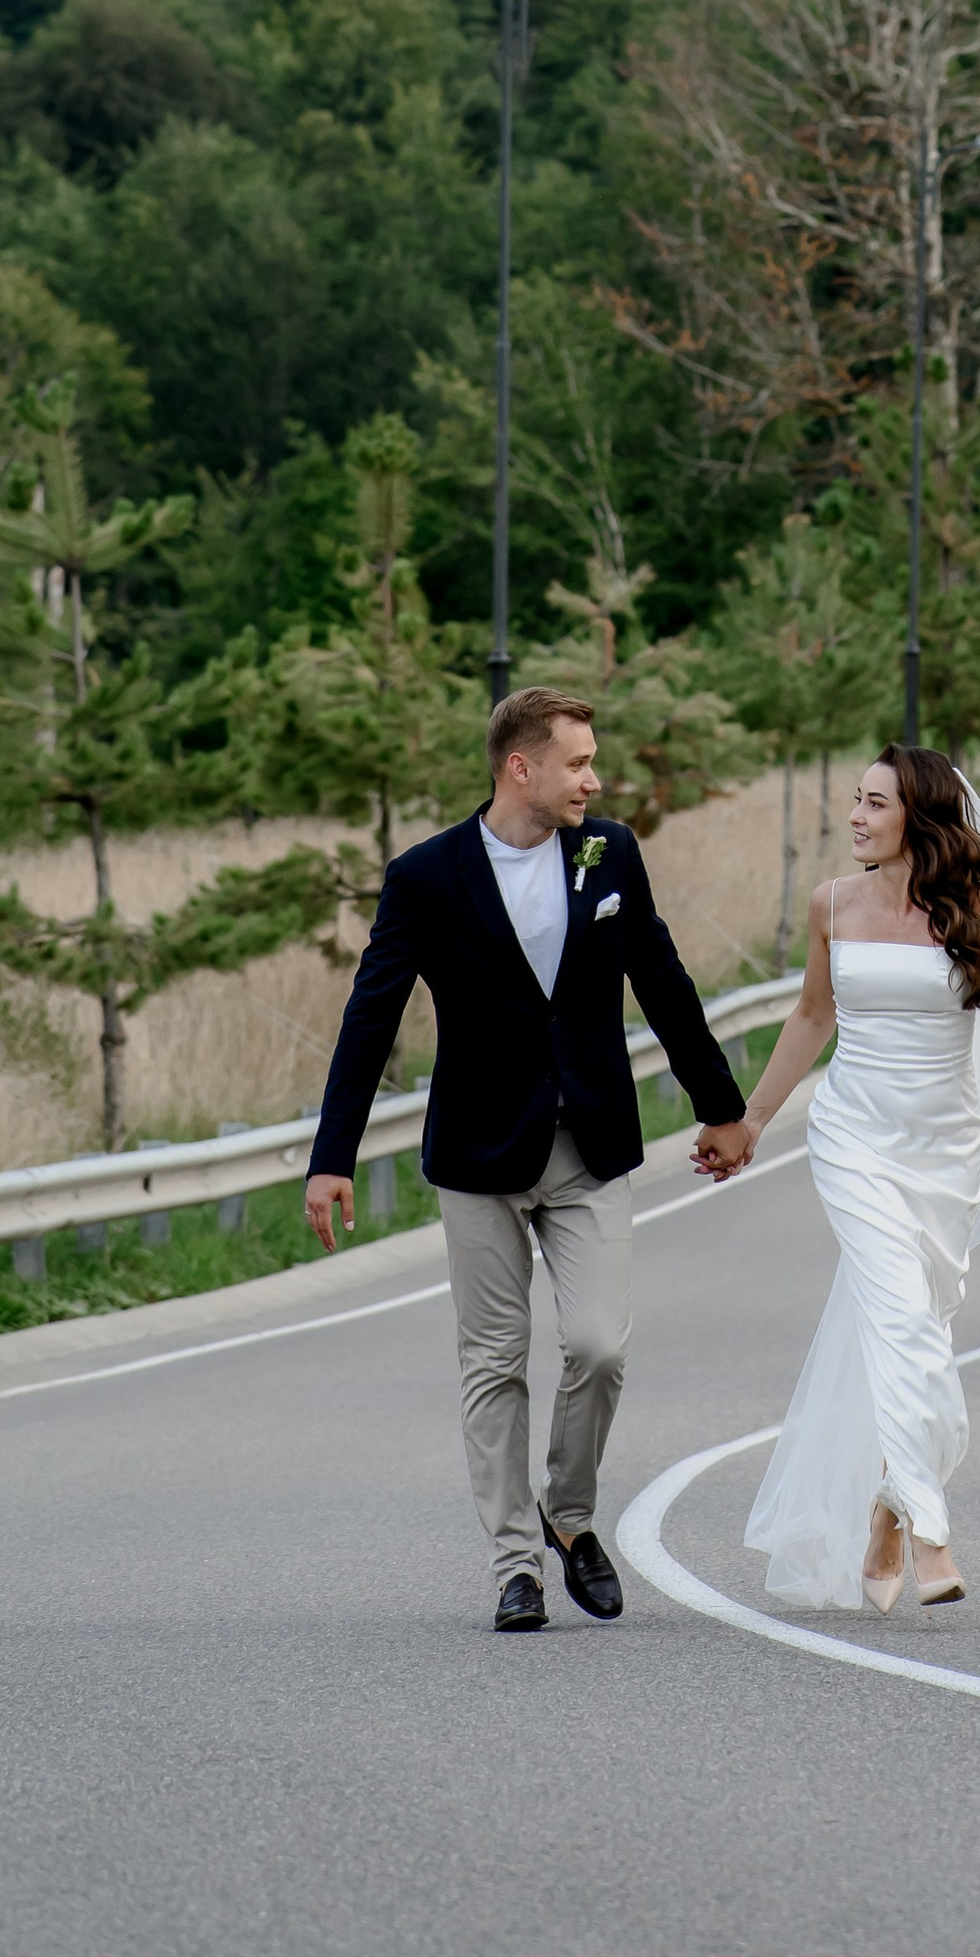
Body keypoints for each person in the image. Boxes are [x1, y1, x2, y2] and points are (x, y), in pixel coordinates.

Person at [305, 683, 751, 1632]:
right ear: (522, 767)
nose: (594, 777)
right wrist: (331, 1154)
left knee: (597, 1345)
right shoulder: (426, 877)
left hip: (588, 1144)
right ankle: (516, 1562)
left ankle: (571, 1516)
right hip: (478, 1152)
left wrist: (723, 1109)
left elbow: (662, 981)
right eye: (578, 762)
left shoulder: (610, 852)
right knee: (494, 1362)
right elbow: (370, 1015)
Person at [696, 746, 980, 1612]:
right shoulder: (832, 904)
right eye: (854, 800)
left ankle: (888, 1502)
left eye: (874, 803)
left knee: (926, 1330)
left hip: (946, 1149)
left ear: (917, 816)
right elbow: (813, 1014)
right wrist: (754, 1123)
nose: (855, 817)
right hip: (853, 1138)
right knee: (899, 1319)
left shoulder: (978, 905)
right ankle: (931, 1528)